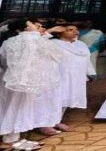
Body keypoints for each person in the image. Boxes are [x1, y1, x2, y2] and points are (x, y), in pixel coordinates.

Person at [0, 19, 64, 150]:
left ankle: (12, 138)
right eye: (33, 25)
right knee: (15, 107)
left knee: (13, 107)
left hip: (11, 80)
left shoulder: (9, 42)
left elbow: (3, 60)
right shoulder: (30, 40)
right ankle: (9, 140)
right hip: (21, 83)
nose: (37, 28)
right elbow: (57, 54)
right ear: (21, 29)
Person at [50, 24, 96, 132]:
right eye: (70, 30)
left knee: (67, 98)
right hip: (59, 75)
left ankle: (57, 121)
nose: (75, 32)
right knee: (56, 98)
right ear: (59, 32)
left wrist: (90, 72)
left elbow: (86, 58)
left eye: (76, 29)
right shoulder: (53, 43)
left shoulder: (81, 44)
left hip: (76, 76)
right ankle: (47, 123)